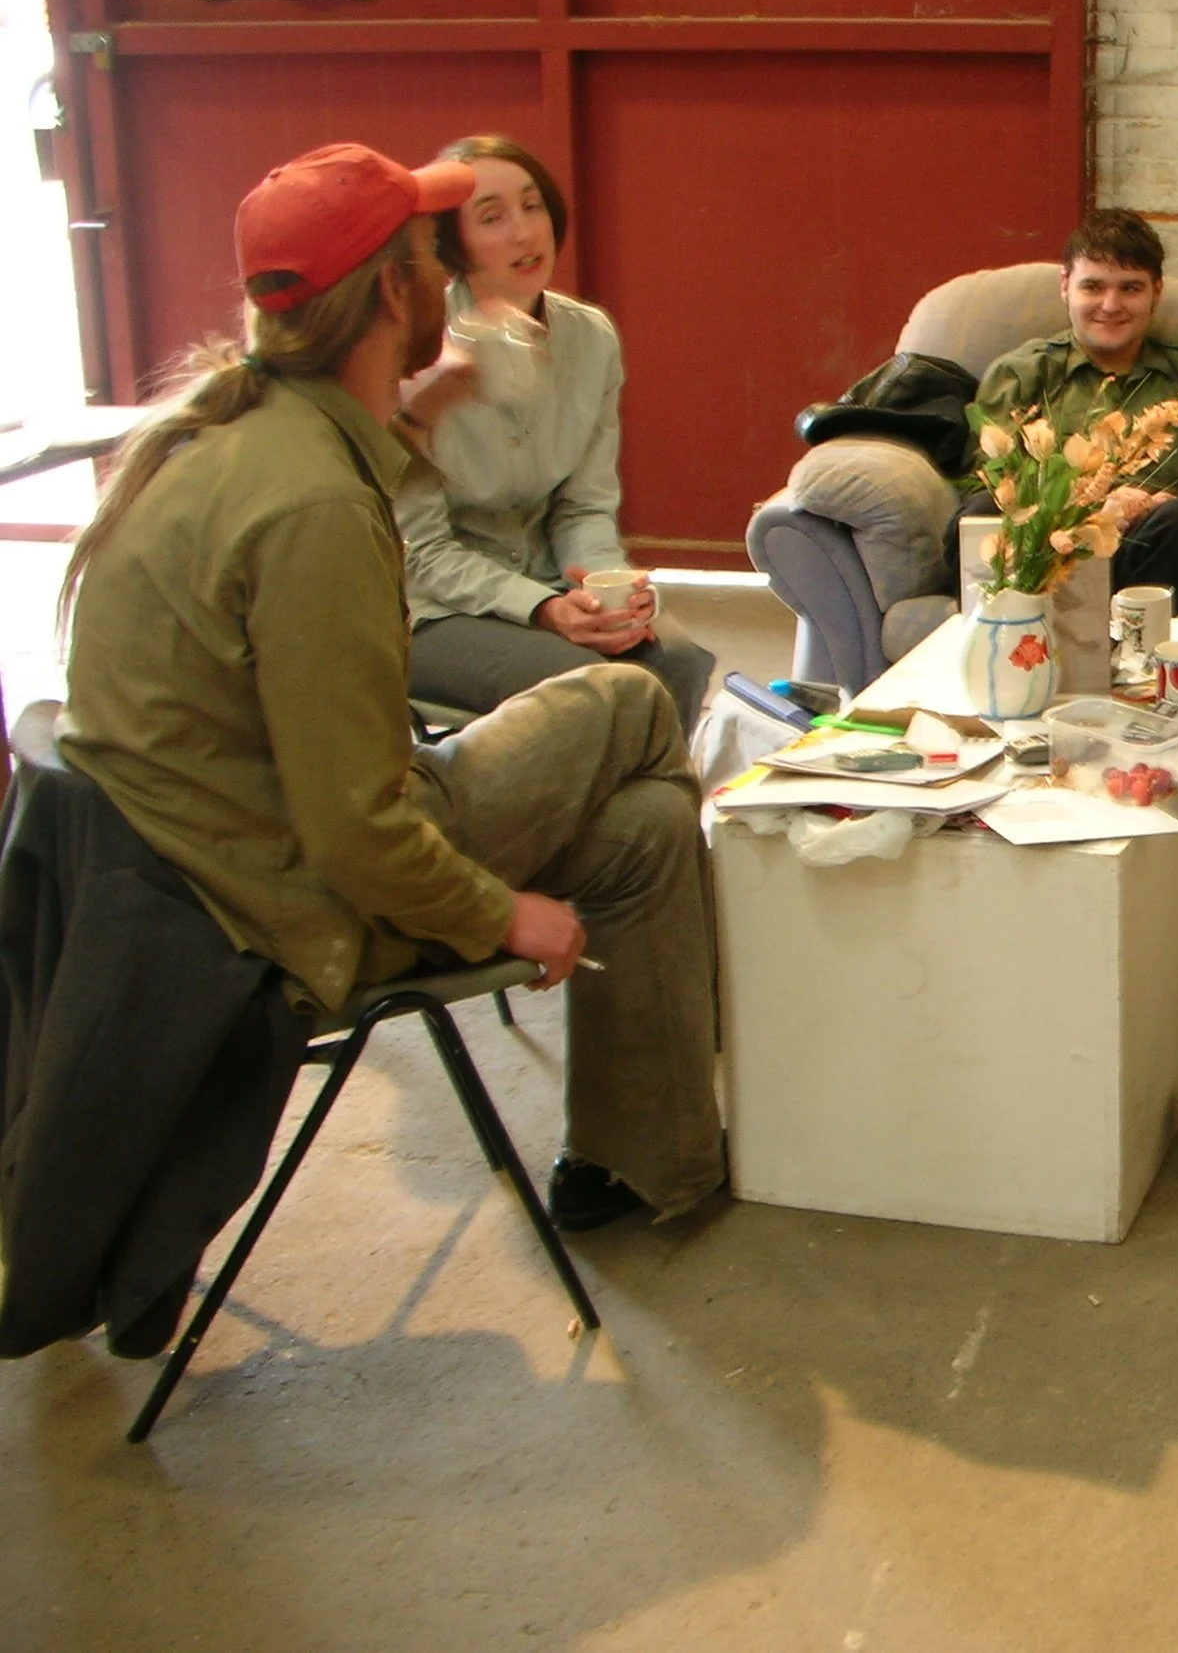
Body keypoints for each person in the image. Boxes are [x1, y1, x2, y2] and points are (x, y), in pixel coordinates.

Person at [56, 142, 723, 1231]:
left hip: (214, 848)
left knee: (646, 825)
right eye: (432, 253)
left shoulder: (257, 429)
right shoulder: (315, 510)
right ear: (393, 295)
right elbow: (355, 831)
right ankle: (731, 1014)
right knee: (638, 700)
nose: (454, 270)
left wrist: (416, 418)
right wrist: (503, 913)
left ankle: (644, 1168)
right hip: (275, 896)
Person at [393, 135, 713, 738]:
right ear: (452, 243)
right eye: (493, 217)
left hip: (548, 579)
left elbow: (583, 506)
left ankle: (644, 799)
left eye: (532, 206)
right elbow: (422, 553)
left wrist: (604, 590)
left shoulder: (590, 337)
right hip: (434, 610)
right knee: (596, 685)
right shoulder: (414, 354)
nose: (524, 232)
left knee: (677, 659)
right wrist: (540, 608)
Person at [958, 208, 1178, 615]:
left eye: (1130, 288)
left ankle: (1147, 648)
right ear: (1066, 286)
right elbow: (987, 488)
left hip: (1159, 567)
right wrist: (1092, 512)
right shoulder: (1021, 375)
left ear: (1156, 292)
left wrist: (1162, 517)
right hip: (1046, 568)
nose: (1110, 305)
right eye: (1093, 287)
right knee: (981, 514)